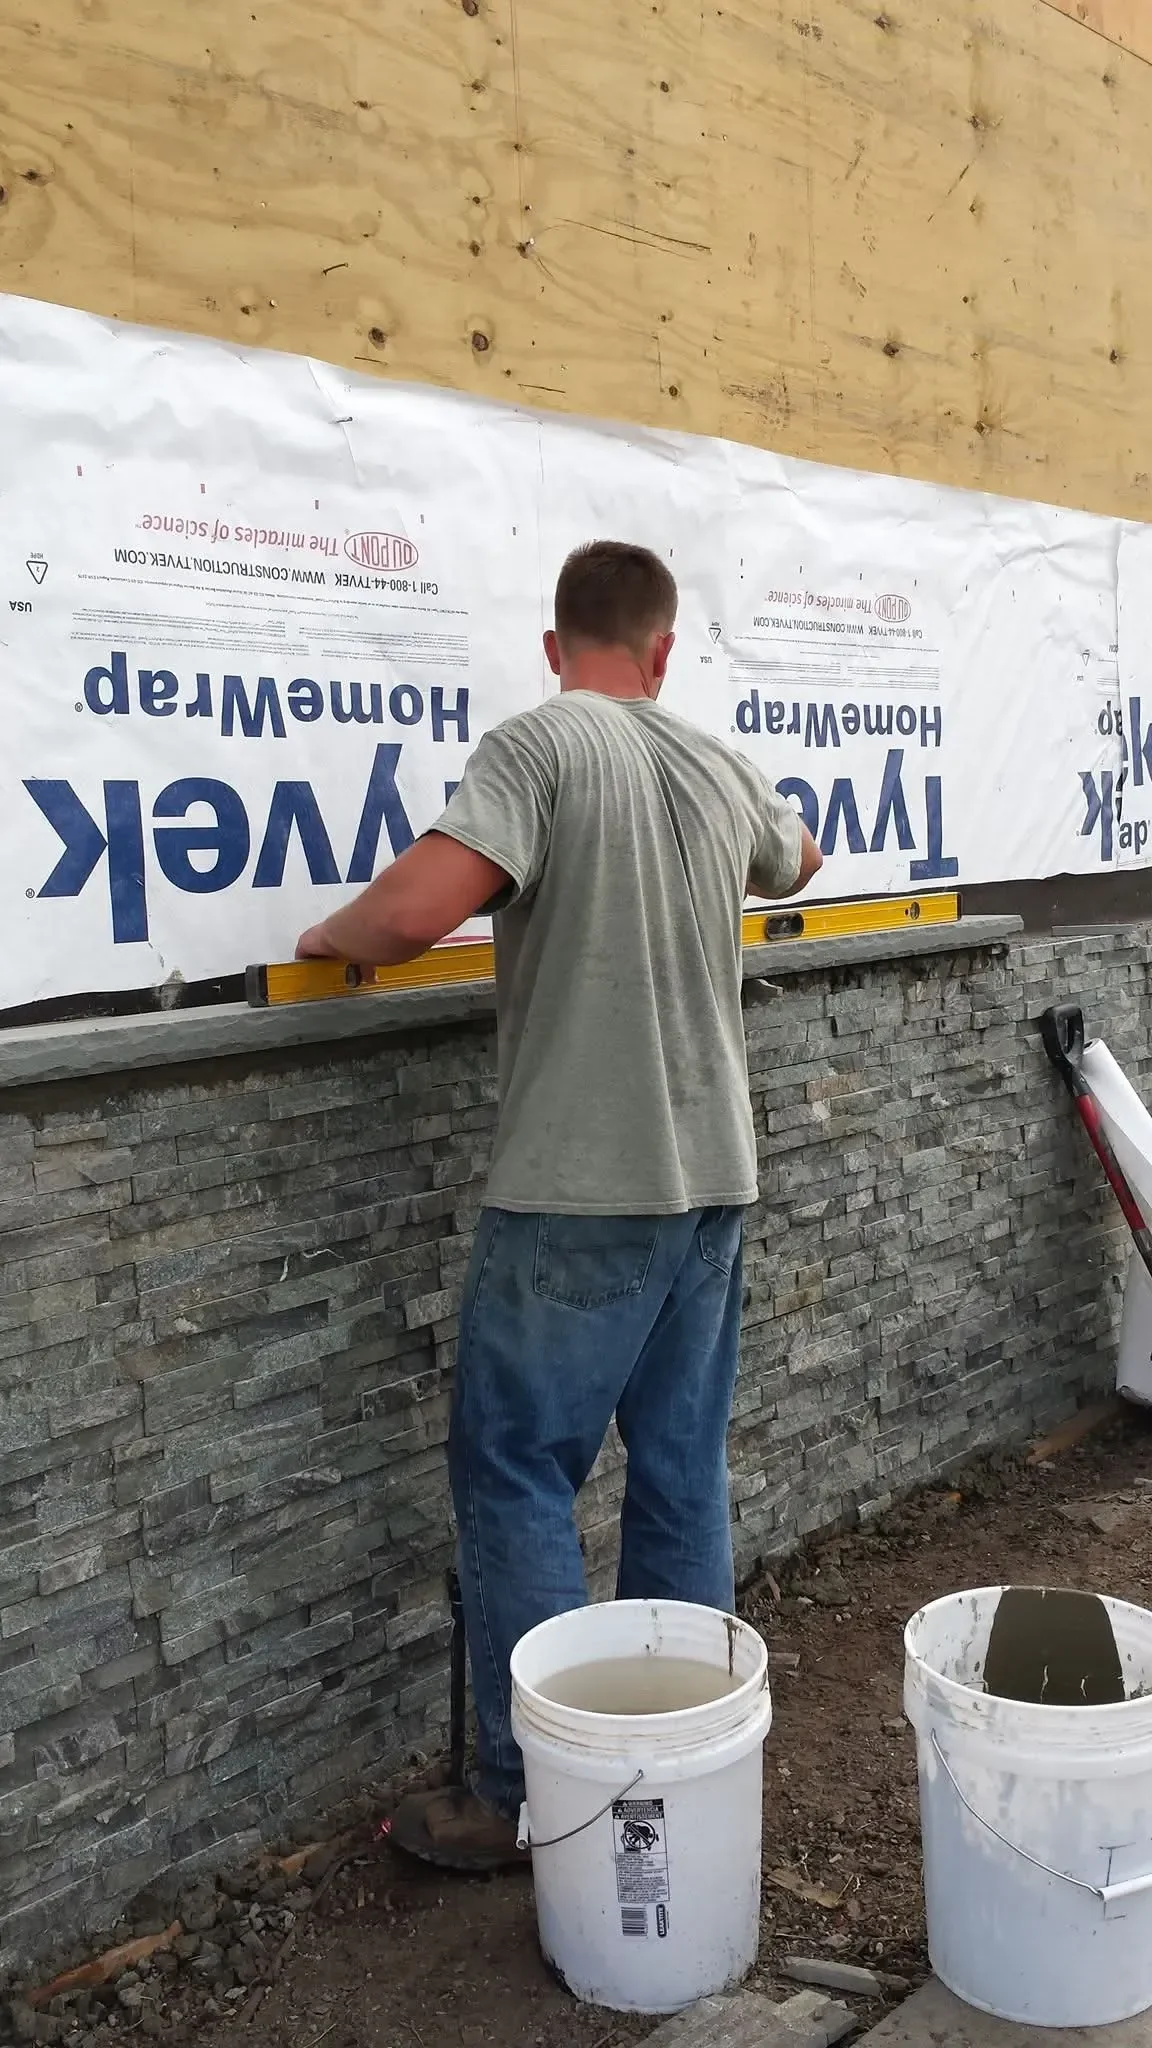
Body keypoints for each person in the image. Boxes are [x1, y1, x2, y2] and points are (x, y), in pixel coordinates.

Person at [295, 540, 823, 1871]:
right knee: (681, 1471)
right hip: (713, 1190)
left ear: (553, 647)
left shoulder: (540, 748)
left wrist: (324, 944)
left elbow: (417, 910)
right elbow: (800, 857)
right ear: (661, 651)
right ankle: (674, 1761)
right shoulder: (710, 760)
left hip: (581, 1193)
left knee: (518, 1472)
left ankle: (527, 1796)